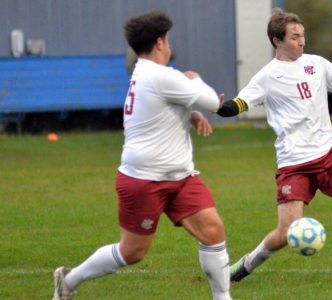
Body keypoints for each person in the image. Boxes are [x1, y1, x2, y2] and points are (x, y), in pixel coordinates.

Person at [53, 10, 231, 300]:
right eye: (169, 39)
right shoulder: (161, 75)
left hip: (180, 176)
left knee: (213, 230)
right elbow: (213, 101)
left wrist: (191, 114)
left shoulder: (147, 74)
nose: (170, 45)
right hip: (143, 179)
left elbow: (161, 108)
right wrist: (195, 79)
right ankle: (69, 280)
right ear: (160, 43)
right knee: (132, 251)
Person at [217, 8, 332, 283]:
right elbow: (238, 105)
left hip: (329, 152)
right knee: (286, 233)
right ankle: (245, 265)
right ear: (277, 41)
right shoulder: (268, 76)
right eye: (295, 37)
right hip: (294, 163)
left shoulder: (317, 64)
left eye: (303, 36)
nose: (302, 42)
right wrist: (218, 106)